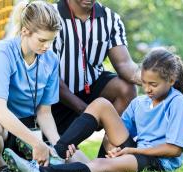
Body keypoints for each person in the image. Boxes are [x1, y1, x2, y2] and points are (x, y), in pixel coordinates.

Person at [4, 48, 183, 172]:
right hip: (136, 152)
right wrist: (112, 147)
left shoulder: (177, 102)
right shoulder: (140, 103)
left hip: (158, 162)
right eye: (144, 83)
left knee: (101, 164)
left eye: (153, 85)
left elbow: (174, 149)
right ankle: (57, 152)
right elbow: (117, 131)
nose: (146, 89)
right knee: (101, 104)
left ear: (171, 80)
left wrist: (132, 152)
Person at [0, 1, 62, 172]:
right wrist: (37, 143)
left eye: (52, 40)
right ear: (25, 31)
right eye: (42, 40)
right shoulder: (2, 52)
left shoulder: (51, 60)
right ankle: (2, 168)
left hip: (29, 128)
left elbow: (44, 113)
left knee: (71, 159)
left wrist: (58, 145)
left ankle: (24, 158)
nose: (47, 46)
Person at [51, 0, 141, 157]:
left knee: (126, 88)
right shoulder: (50, 15)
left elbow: (125, 64)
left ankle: (109, 154)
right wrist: (87, 111)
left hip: (91, 88)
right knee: (54, 155)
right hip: (54, 97)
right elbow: (48, 76)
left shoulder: (111, 19)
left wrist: (156, 79)